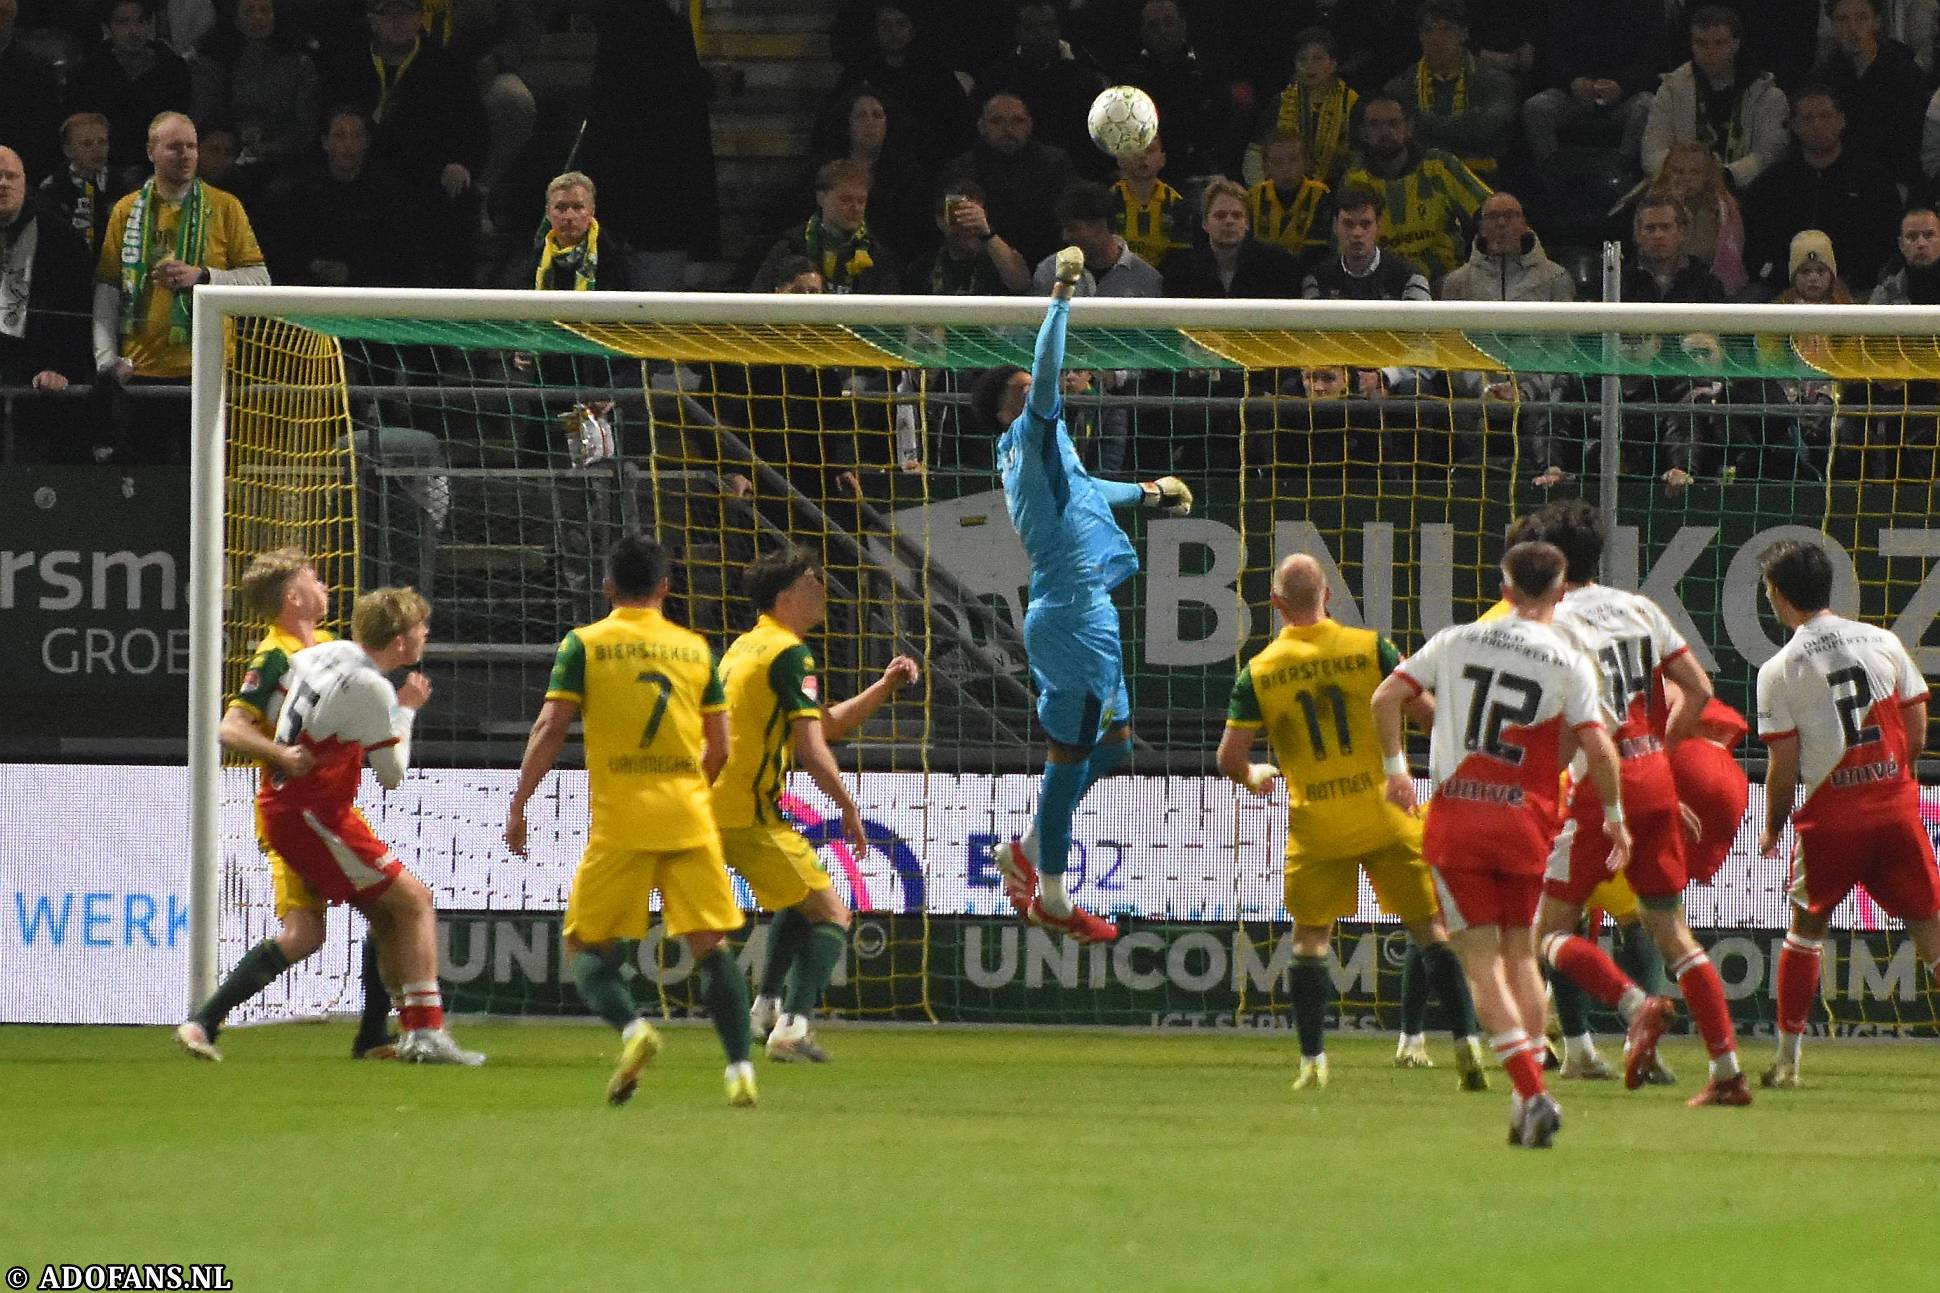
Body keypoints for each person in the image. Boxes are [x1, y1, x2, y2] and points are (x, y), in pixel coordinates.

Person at [1371, 540, 1629, 1149]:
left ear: (1506, 588)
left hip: (1460, 818)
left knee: (1481, 964)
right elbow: (1598, 744)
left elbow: (1388, 697)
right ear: (1560, 591)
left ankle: (1535, 1094)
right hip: (1526, 822)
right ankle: (1524, 1100)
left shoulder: (1457, 639)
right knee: (1522, 956)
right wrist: (1615, 816)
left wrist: (1396, 770)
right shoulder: (1570, 660)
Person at [971, 246, 1194, 943]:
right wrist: (1061, 294)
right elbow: (1044, 374)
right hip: (1070, 612)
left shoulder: (1045, 454)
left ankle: (1026, 853)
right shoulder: (1028, 433)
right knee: (1068, 756)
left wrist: (1151, 490)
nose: (1043, 391)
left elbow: (1090, 494)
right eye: (1025, 389)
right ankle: (1056, 894)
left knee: (1118, 742)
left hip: (1081, 606)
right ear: (1012, 406)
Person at [1508, 501, 1750, 1107]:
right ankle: (1727, 1072)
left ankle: (1635, 1004)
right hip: (1654, 779)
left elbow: (1568, 725)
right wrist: (1659, 759)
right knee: (1673, 932)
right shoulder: (1640, 607)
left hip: (1600, 790)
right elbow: (1697, 689)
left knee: (1546, 933)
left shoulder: (1552, 624)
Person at [504, 534, 760, 1107]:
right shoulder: (697, 650)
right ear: (666, 587)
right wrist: (689, 787)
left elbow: (550, 728)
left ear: (608, 588)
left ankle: (634, 1030)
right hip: (689, 818)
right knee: (711, 947)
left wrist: (520, 802)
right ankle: (740, 1068)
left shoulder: (585, 645)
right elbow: (720, 747)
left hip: (621, 821)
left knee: (583, 949)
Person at [181, 585, 483, 1065]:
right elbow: (392, 775)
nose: (426, 633)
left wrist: (295, 749)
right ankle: (425, 1033)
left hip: (295, 805)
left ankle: (389, 1033)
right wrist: (405, 709)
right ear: (401, 641)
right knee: (414, 903)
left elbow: (291, 706)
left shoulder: (328, 652)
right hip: (313, 815)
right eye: (420, 627)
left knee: (386, 915)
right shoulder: (372, 688)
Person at [1218, 553, 1487, 1091]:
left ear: (1275, 605)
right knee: (1432, 932)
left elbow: (1229, 758)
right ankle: (1468, 1047)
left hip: (1318, 823)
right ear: (1329, 597)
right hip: (1388, 812)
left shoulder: (1260, 672)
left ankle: (1313, 1061)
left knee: (1311, 939)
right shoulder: (1370, 647)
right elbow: (1429, 715)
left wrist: (1254, 776)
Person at [172, 549, 396, 1061]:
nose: (325, 586)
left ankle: (206, 1023)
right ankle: (371, 1035)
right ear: (294, 597)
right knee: (383, 909)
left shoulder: (334, 648)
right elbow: (230, 729)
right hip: (300, 815)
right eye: (314, 579)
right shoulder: (275, 655)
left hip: (333, 811)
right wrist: (280, 754)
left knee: (320, 930)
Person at [716, 546, 920, 1062]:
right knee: (834, 912)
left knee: (799, 903)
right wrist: (848, 808)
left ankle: (764, 1009)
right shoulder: (790, 653)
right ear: (786, 595)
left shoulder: (746, 648)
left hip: (723, 806)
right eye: (813, 579)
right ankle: (793, 1027)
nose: (822, 587)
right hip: (744, 812)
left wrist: (884, 685)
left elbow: (822, 724)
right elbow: (811, 747)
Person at [1756, 539, 1940, 1088]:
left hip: (1830, 819)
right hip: (1893, 806)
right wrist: (1891, 778)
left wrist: (1771, 826)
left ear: (1779, 596)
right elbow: (1916, 723)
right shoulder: (1882, 640)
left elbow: (1783, 766)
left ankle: (1788, 1062)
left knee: (1805, 931)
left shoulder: (1781, 667)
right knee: (1932, 933)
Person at [92, 110, 268, 465]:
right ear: (151, 151)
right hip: (140, 373)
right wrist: (106, 361)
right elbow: (108, 288)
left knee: (207, 481)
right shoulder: (127, 210)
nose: (186, 155)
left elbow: (260, 281)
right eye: (174, 147)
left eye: (191, 146)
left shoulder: (225, 207)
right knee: (145, 483)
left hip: (208, 373)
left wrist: (203, 276)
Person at [1744, 84, 1899, 298]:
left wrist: (1844, 280)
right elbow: (1755, 245)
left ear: (1842, 120)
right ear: (1794, 126)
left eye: (1825, 116)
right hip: (1781, 288)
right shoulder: (1772, 183)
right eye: (1808, 118)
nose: (1817, 125)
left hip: (1855, 288)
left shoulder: (1873, 181)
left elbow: (1885, 245)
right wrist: (1790, 282)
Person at [0, 144, 95, 464]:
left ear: (25, 182)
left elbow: (78, 313)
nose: (3, 183)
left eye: (11, 176)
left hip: (39, 385)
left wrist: (60, 367)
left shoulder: (60, 238)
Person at [1339, 95, 1492, 286]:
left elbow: (1490, 212)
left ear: (1409, 128)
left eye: (1393, 123)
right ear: (1363, 132)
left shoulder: (1440, 166)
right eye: (1375, 124)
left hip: (1444, 283)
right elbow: (1344, 245)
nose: (1385, 132)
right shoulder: (1354, 178)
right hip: (1380, 287)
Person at [1641, 5, 1789, 191]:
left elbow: (1768, 154)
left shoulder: (1767, 95)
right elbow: (1652, 150)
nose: (1710, 51)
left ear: (1735, 44)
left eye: (1719, 43)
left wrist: (1726, 176)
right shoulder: (1671, 89)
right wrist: (1685, 176)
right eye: (1701, 43)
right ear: (1691, 45)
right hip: (1679, 190)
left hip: (1744, 191)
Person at [939, 91, 1077, 267]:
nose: (1008, 129)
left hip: (1048, 263)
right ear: (981, 126)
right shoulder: (960, 170)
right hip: (980, 266)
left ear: (1029, 125)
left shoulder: (1055, 164)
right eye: (997, 121)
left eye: (1017, 121)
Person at [1519, 0, 1664, 167]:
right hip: (1572, 94)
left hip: (1627, 96)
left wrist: (1622, 86)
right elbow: (1549, 53)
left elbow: (1653, 58)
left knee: (1647, 106)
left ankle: (1623, 170)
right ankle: (1552, 174)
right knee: (1535, 108)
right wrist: (1572, 81)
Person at [1383, 0, 1517, 178]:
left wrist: (1418, 120)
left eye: (1446, 29)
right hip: (1417, 181)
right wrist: (1464, 126)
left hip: (1480, 183)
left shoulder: (1495, 80)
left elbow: (1486, 131)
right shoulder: (1399, 87)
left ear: (1463, 34)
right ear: (1420, 36)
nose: (1436, 39)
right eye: (1428, 31)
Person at [69, 0, 194, 190]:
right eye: (123, 22)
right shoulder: (89, 72)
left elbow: (180, 126)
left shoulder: (172, 70)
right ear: (107, 28)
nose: (133, 30)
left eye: (140, 21)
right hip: (100, 172)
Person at [189, 0, 320, 177]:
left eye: (265, 10)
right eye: (249, 11)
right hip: (227, 158)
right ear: (235, 18)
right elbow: (207, 116)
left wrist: (274, 147)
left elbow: (306, 124)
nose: (258, 17)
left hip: (286, 162)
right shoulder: (211, 62)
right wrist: (238, 137)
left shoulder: (300, 64)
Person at [1813, 0, 1926, 187]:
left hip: (1895, 180)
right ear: (1832, 25)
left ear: (1877, 22)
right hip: (1839, 181)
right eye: (1842, 19)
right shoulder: (1823, 79)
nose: (1852, 28)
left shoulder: (1905, 74)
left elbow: (1909, 145)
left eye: (1861, 18)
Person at [750, 158, 903, 294]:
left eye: (861, 201)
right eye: (846, 199)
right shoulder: (790, 247)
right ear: (821, 198)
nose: (855, 207)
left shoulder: (876, 256)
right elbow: (759, 298)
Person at [1244, 27, 1358, 188]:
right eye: (1302, 59)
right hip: (1283, 191)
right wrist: (1264, 192)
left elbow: (1358, 158)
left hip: (1336, 193)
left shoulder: (1351, 103)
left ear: (1333, 65)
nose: (1309, 65)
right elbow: (1254, 153)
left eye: (1318, 58)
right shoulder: (1280, 102)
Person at [1162, 178, 1303, 298]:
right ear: (1205, 223)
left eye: (1237, 215)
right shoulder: (1183, 273)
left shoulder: (1278, 267)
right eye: (1220, 215)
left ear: (1247, 223)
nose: (1229, 221)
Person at [1648, 141, 1747, 298]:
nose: (1686, 178)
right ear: (1666, 173)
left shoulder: (1725, 210)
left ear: (1708, 175)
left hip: (1712, 290)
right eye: (1678, 171)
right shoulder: (1649, 207)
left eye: (1695, 172)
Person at [917, 182, 1031, 295]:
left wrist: (987, 233)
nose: (968, 223)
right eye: (959, 215)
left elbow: (1021, 284)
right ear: (940, 219)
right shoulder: (924, 268)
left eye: (973, 214)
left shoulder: (998, 260)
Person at [0, 0, 65, 185]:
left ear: (13, 16)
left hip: (20, 173)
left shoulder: (36, 71)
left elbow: (44, 135)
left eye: (2, 13)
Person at [1246, 133, 1330, 263]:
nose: (1286, 168)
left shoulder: (1319, 194)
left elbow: (1319, 248)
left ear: (1305, 162)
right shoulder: (1255, 196)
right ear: (1266, 167)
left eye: (1293, 160)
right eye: (1277, 162)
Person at [1109, 137, 1190, 271]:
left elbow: (1181, 260)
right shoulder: (1107, 202)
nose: (1142, 156)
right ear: (1120, 159)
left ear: (1162, 159)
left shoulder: (1176, 203)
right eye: (1135, 150)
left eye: (1150, 150)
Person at [38, 114, 113, 255]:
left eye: (102, 142)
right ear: (68, 150)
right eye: (87, 144)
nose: (97, 149)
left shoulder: (123, 184)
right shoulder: (52, 189)